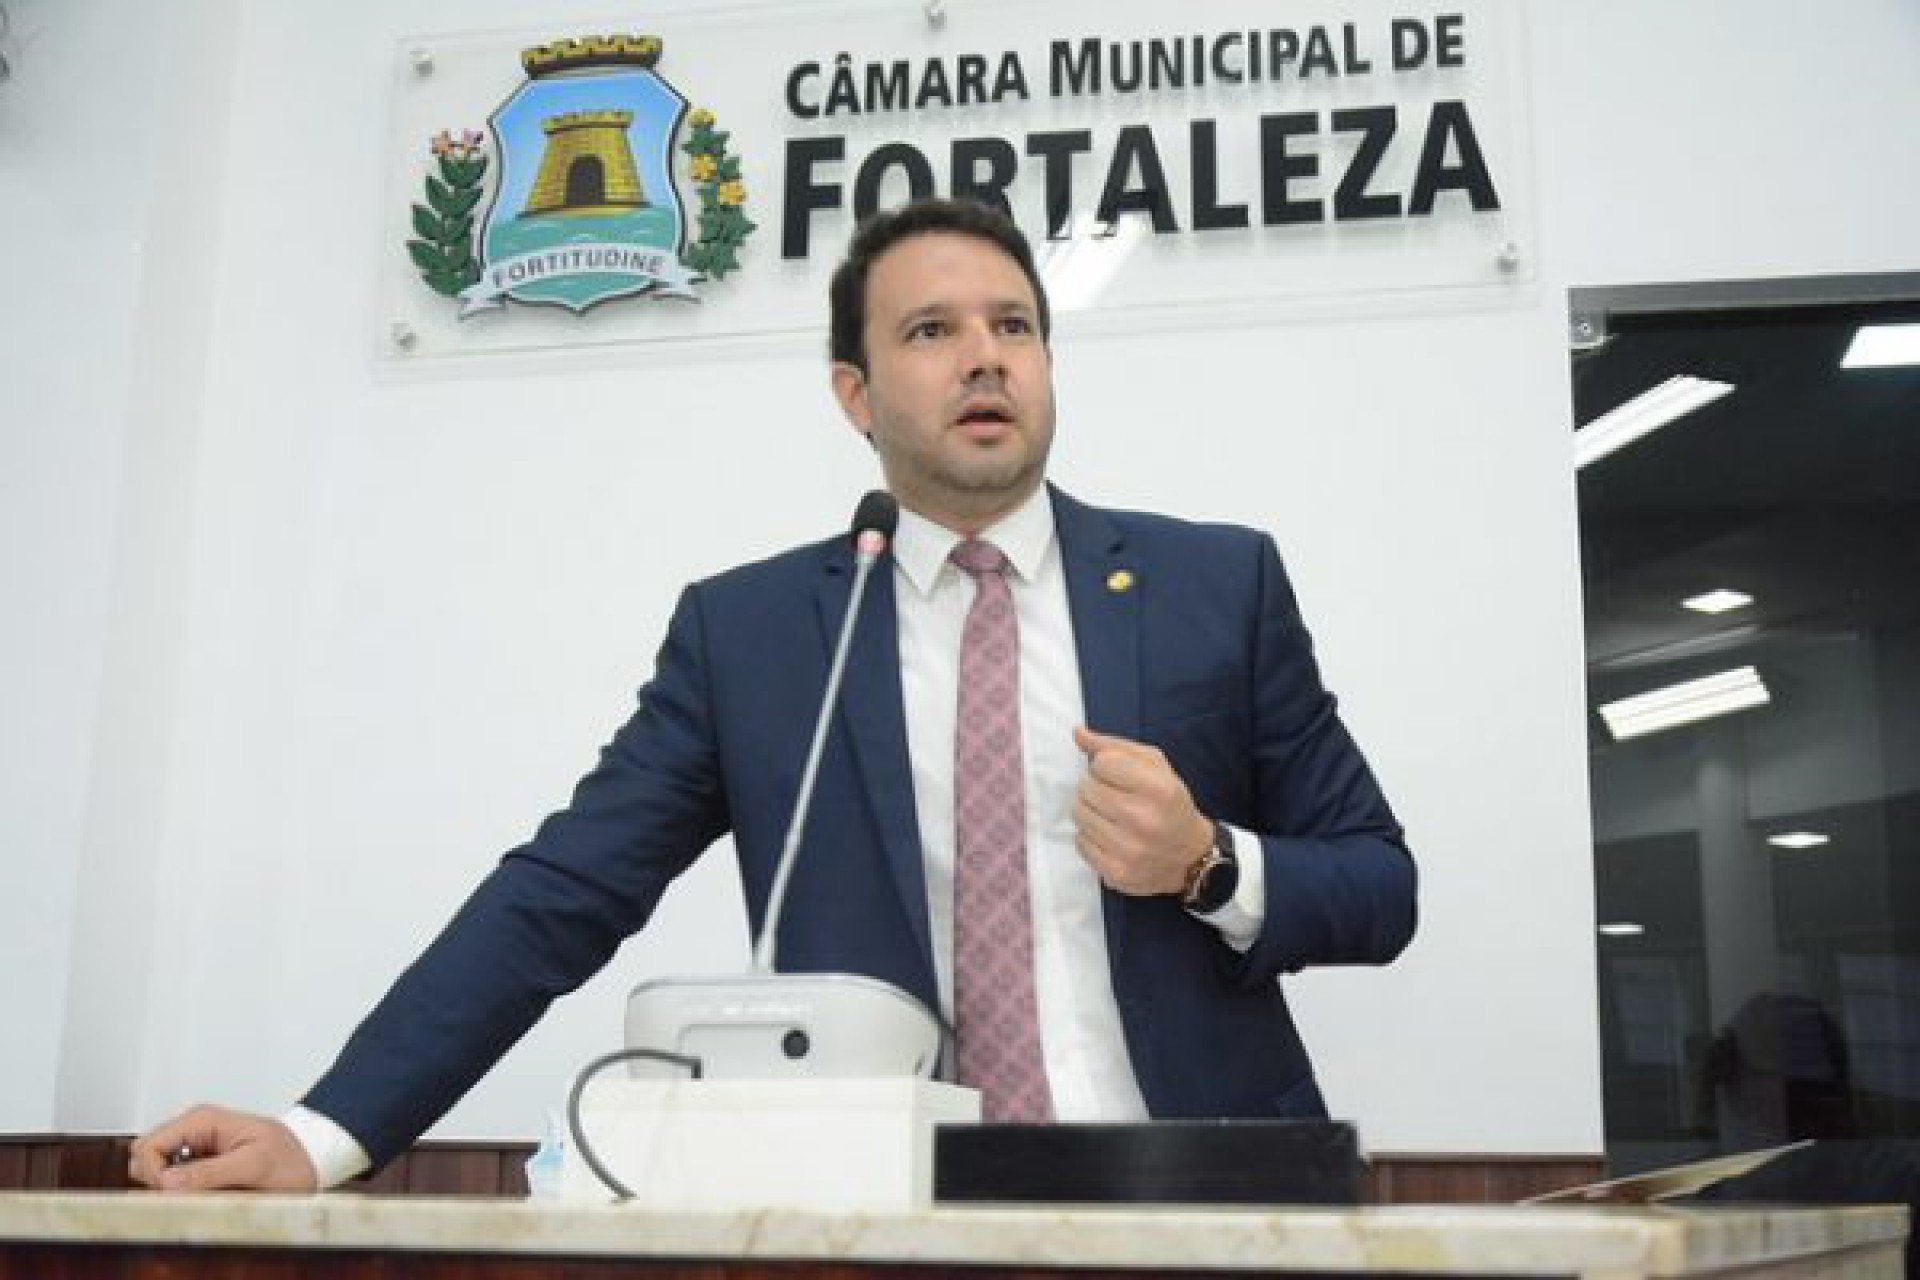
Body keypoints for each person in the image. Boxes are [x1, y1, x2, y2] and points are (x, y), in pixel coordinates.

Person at [130, 197, 1417, 1193]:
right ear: (854, 395)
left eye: (1013, 325)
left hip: (1200, 1193)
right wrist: (323, 1133)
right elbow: (562, 892)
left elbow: (1379, 882)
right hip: (879, 1202)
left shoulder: (1213, 585)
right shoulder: (752, 633)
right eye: (932, 330)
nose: (985, 356)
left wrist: (1207, 863)